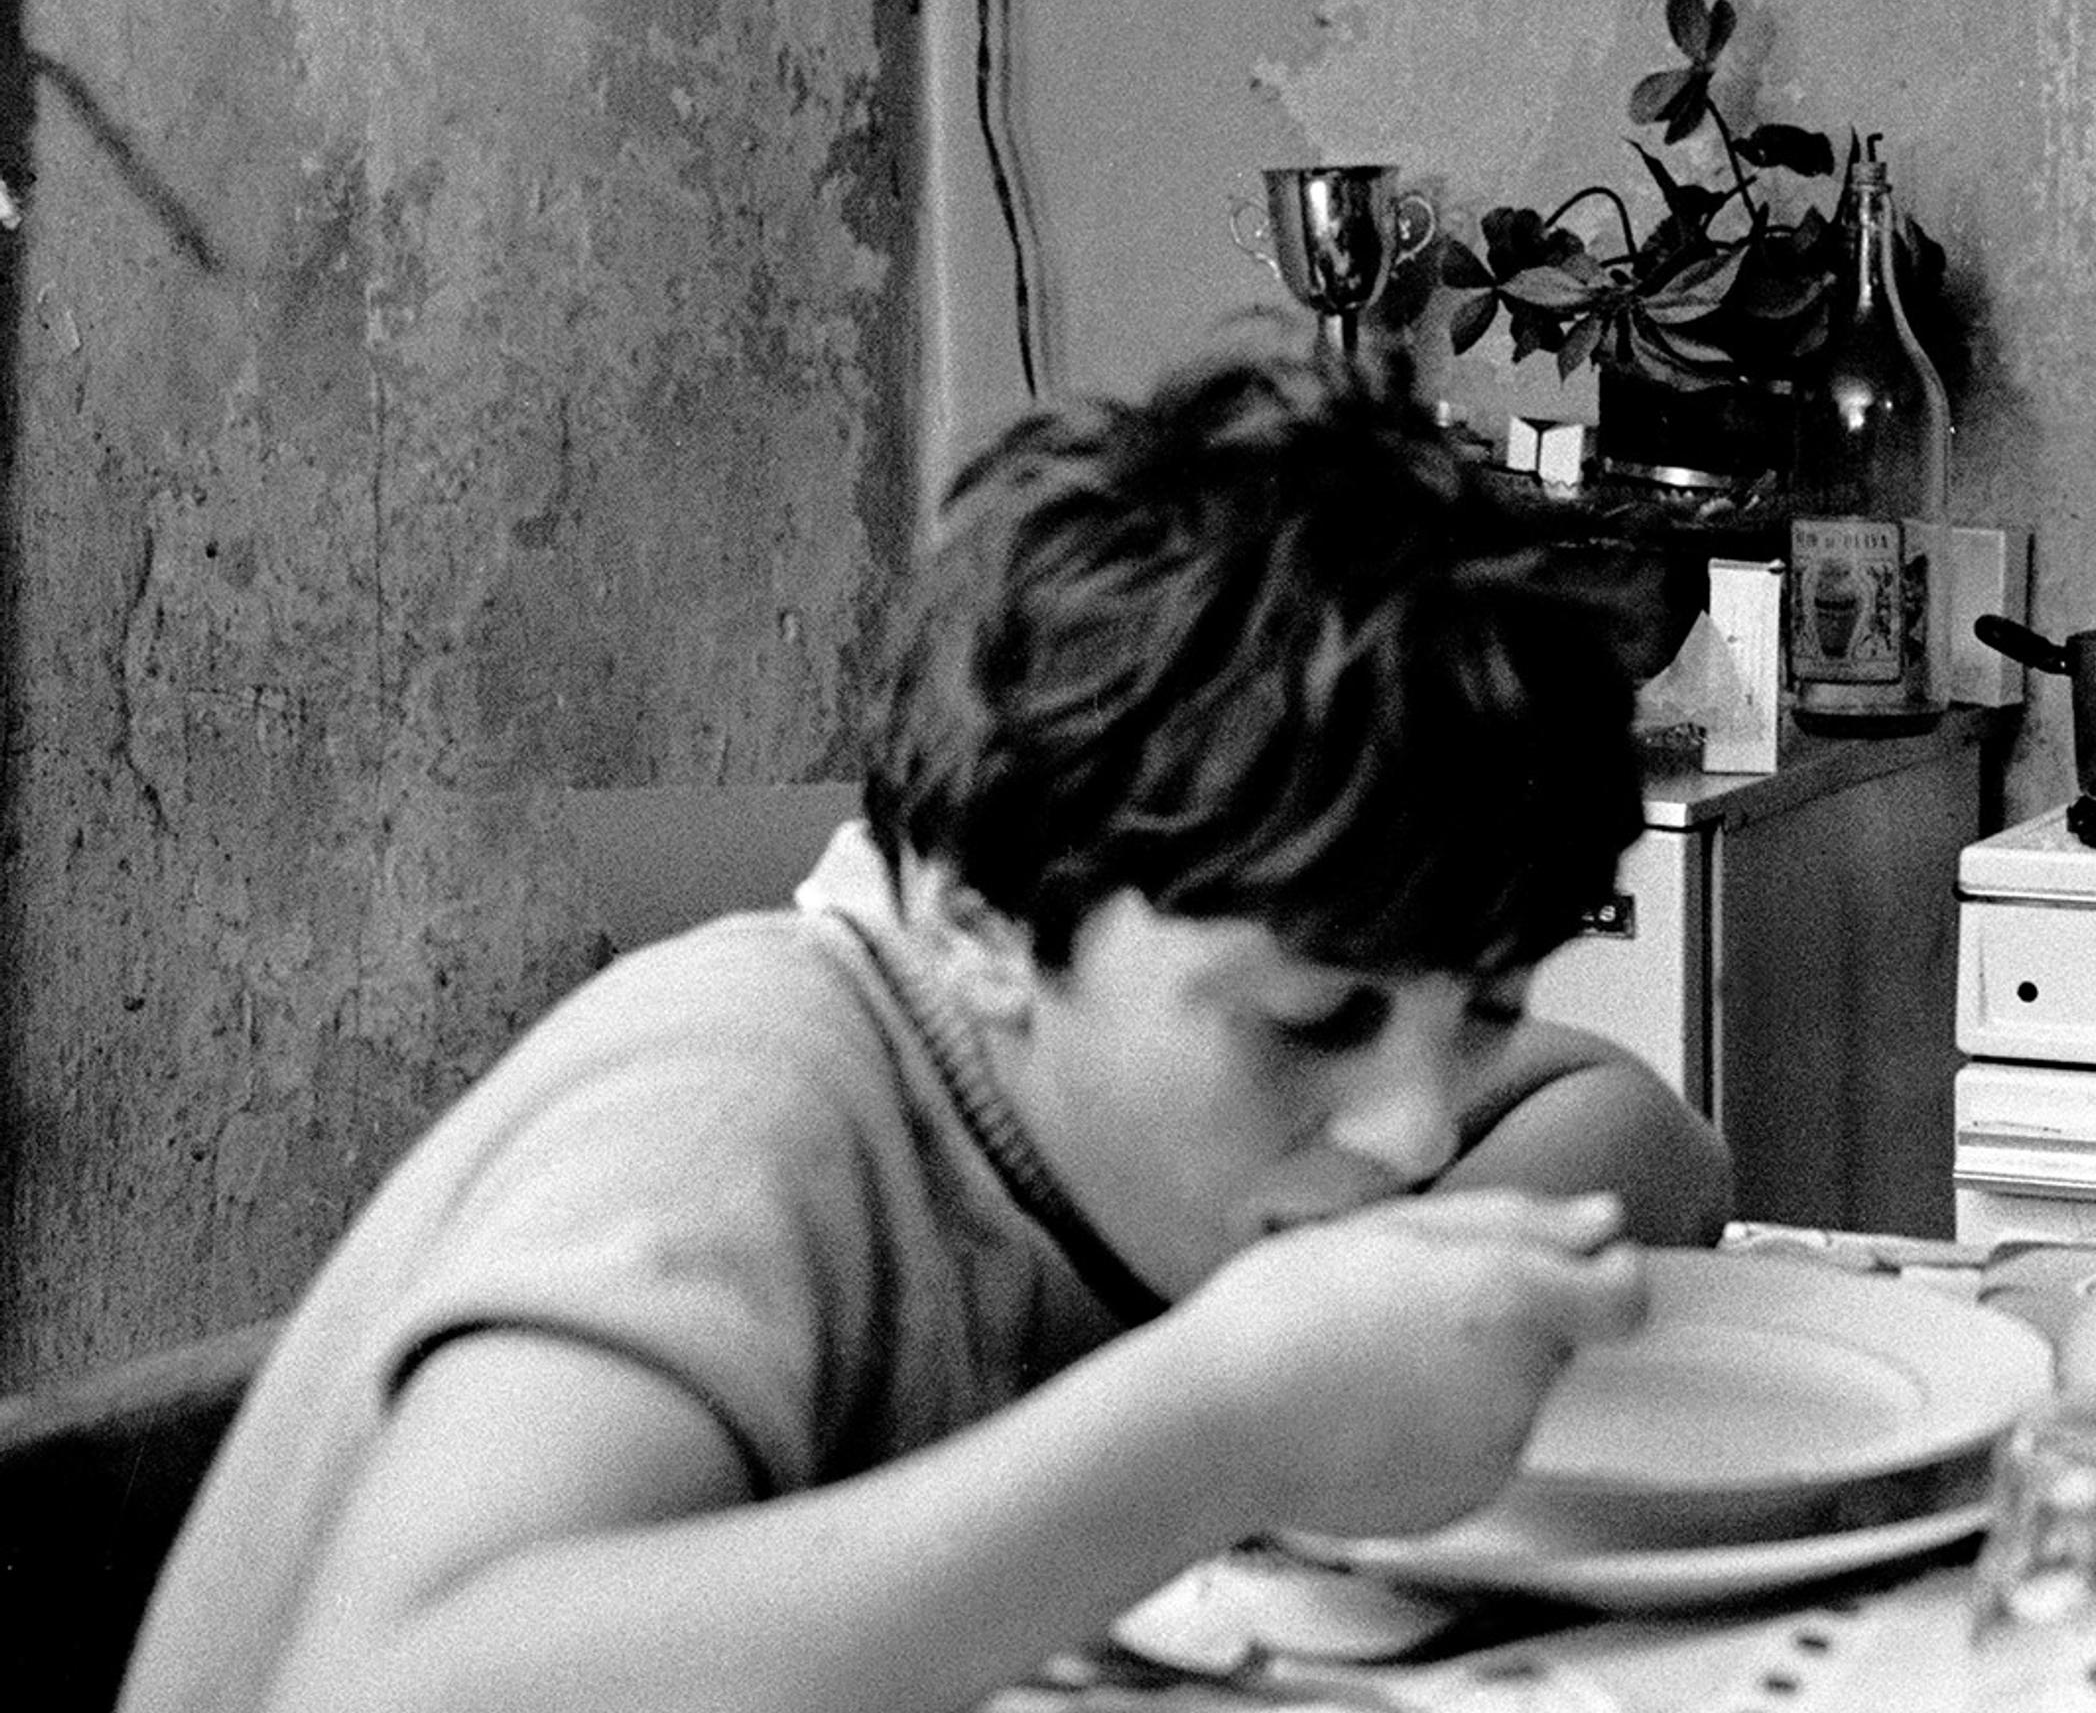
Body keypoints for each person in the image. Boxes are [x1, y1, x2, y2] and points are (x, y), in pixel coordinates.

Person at [121, 348, 1732, 1713]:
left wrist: (1404, 1296)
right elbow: (394, 1686)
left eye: (1487, 1008)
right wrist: (1225, 1418)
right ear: (979, 925)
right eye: (1319, 1018)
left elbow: (1648, 1136)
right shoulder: (743, 1093)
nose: (1415, 1125)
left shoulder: (1191, 1087)